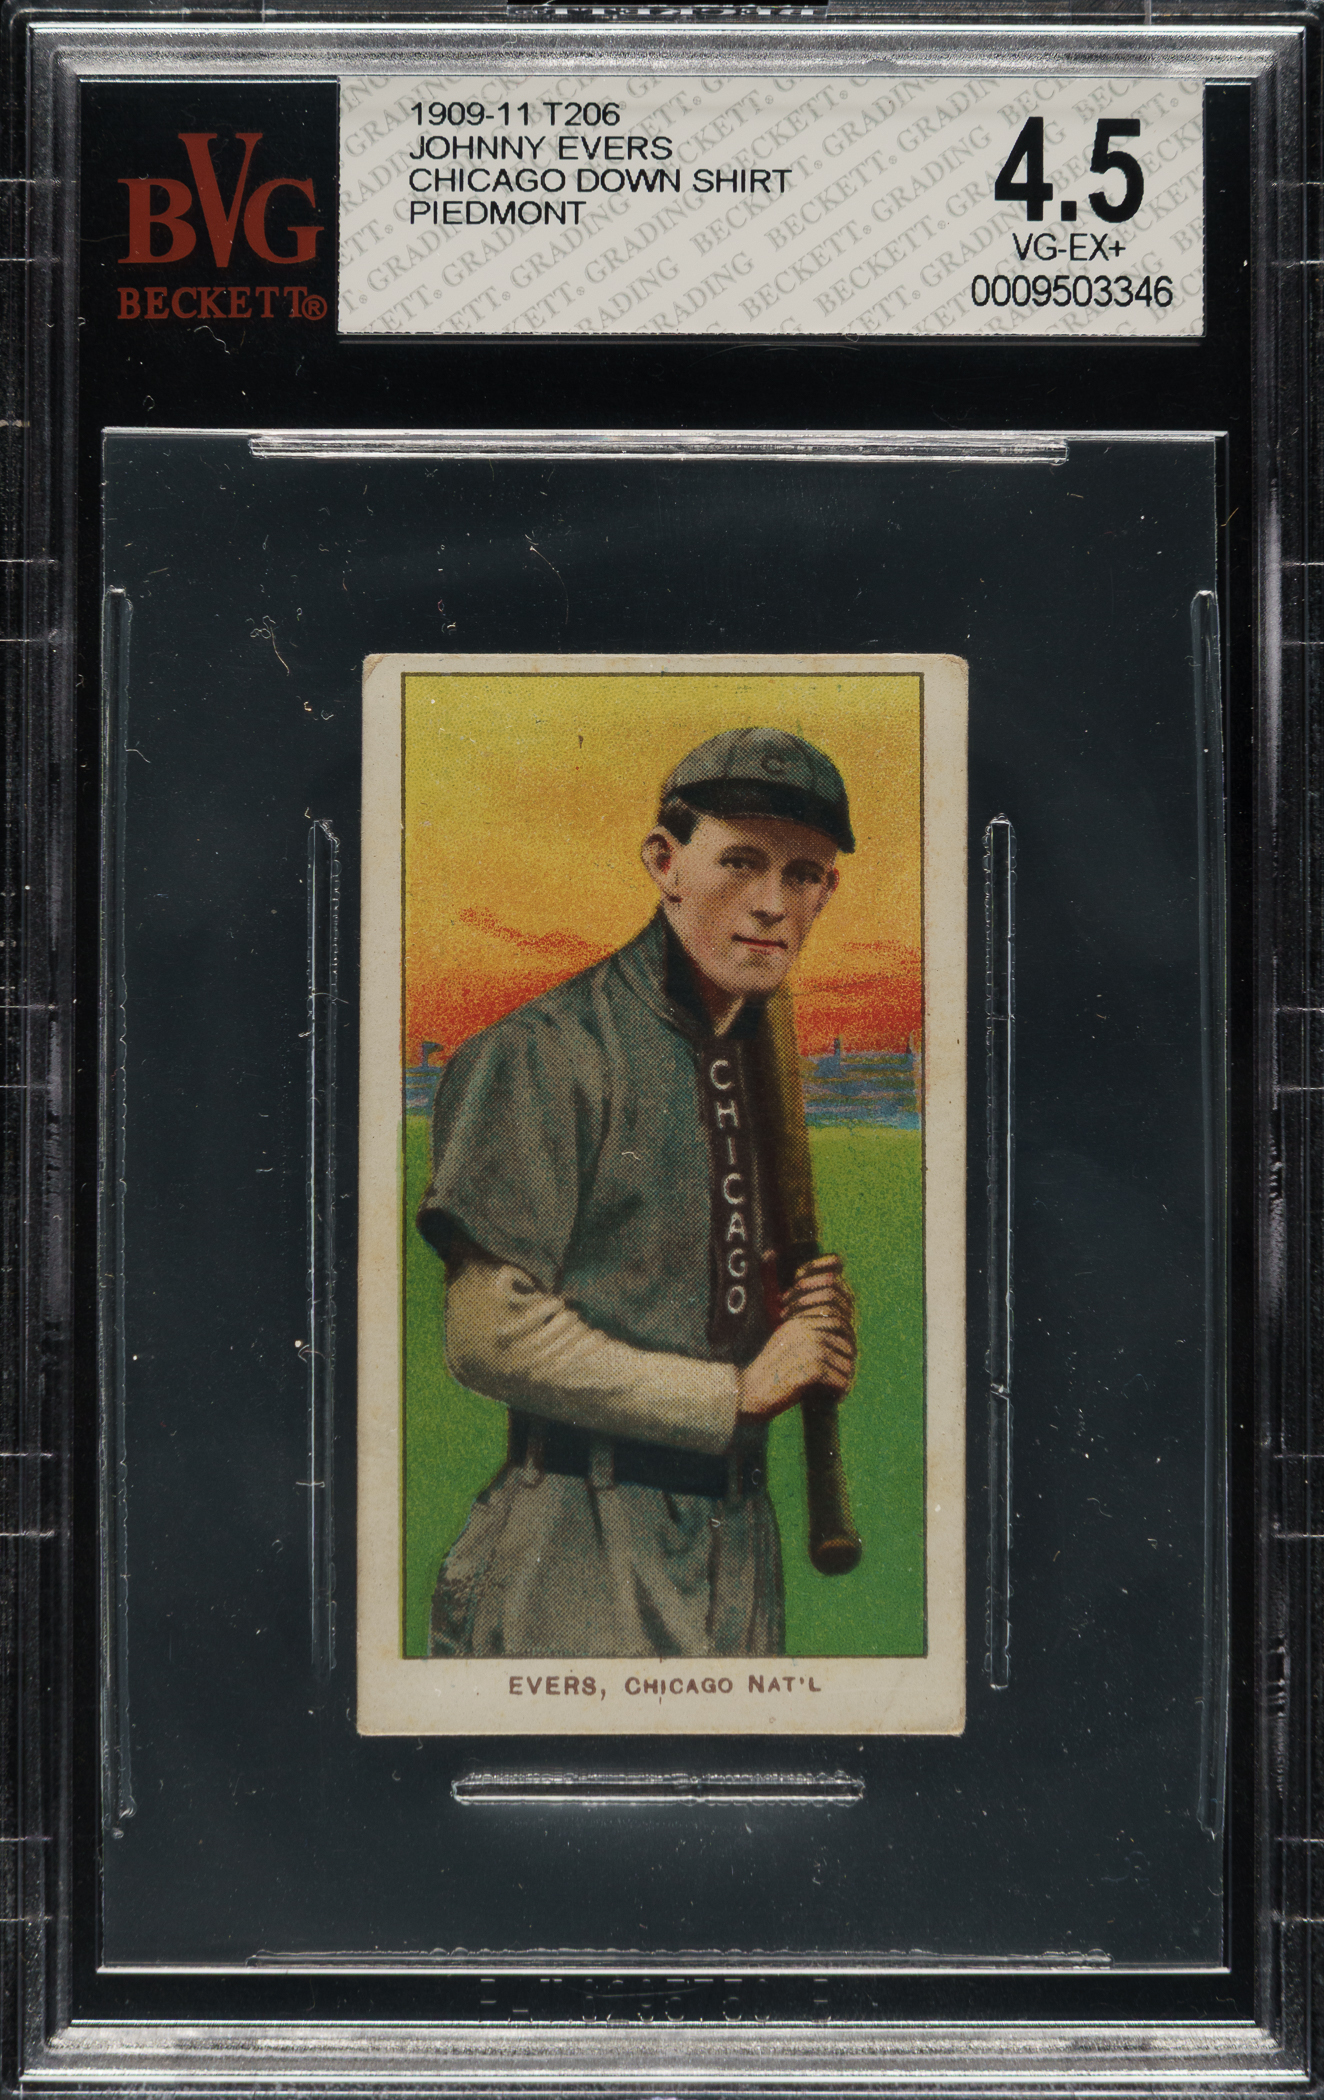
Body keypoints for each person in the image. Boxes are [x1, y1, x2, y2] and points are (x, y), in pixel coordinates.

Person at [416, 726, 857, 1659]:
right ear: (665, 862)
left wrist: (793, 1321)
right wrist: (740, 1388)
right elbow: (490, 1336)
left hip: (741, 1541)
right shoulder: (542, 1052)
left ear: (827, 893)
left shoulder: (759, 1056)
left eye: (803, 874)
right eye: (740, 861)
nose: (772, 903)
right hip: (574, 1542)